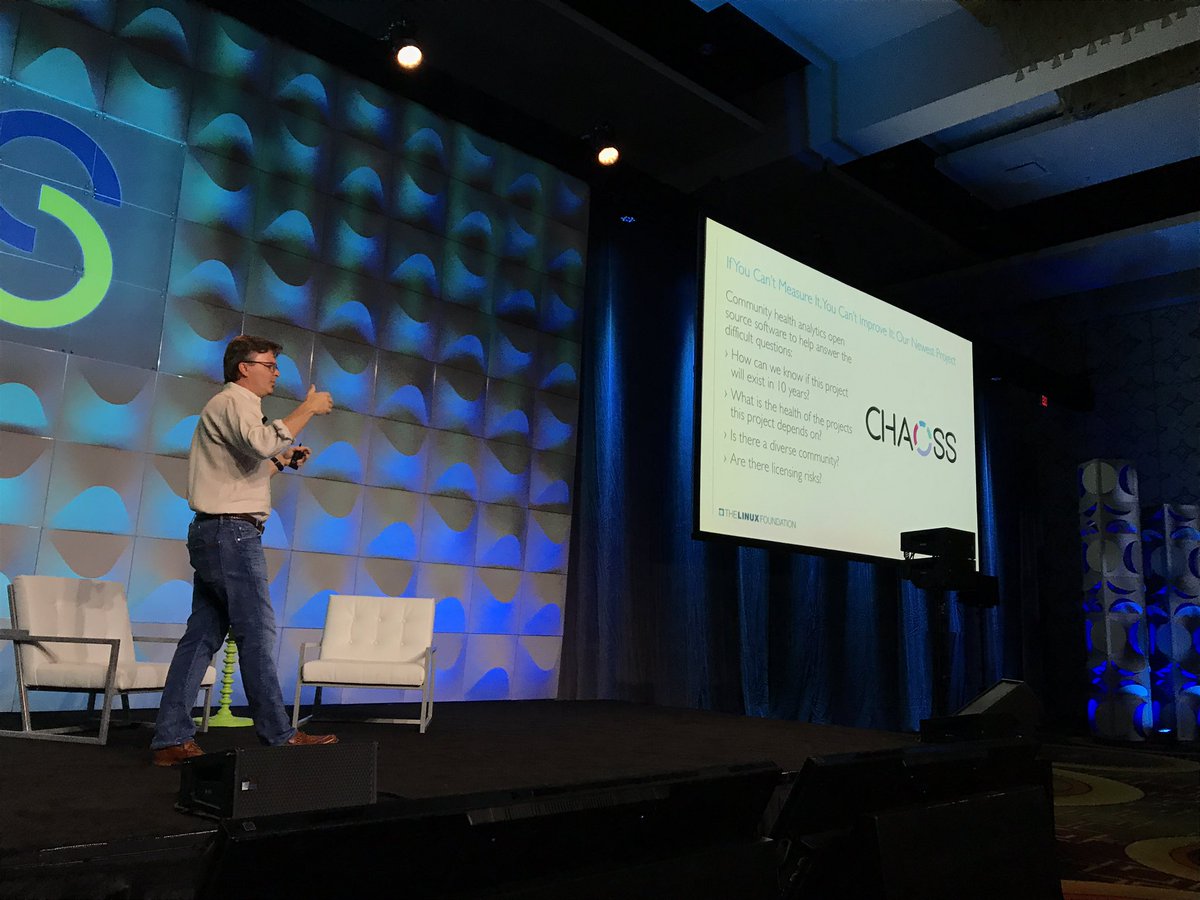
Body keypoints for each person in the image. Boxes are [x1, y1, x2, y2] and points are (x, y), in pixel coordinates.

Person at [151, 335, 338, 765]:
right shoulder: (234, 401)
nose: (276, 373)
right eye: (269, 365)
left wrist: (281, 462)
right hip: (230, 534)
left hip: (219, 532)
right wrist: (308, 409)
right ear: (244, 368)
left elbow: (241, 475)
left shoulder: (234, 407)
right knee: (256, 632)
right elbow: (260, 443)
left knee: (202, 637)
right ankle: (278, 734)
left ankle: (170, 739)